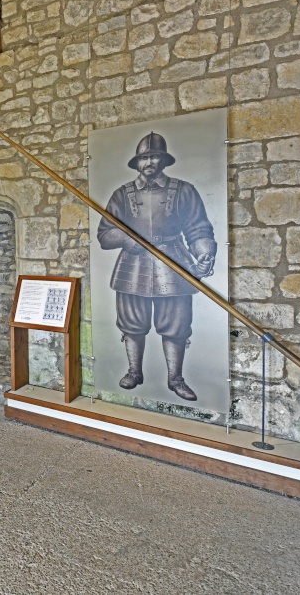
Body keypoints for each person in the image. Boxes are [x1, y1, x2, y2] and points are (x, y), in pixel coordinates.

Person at [96, 131, 216, 402]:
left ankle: (176, 379)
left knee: (175, 325)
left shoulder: (184, 190)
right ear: (137, 162)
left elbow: (198, 229)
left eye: (155, 157)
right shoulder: (122, 194)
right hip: (132, 264)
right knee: (132, 324)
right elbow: (105, 234)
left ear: (163, 160)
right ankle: (134, 371)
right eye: (145, 157)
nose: (150, 162)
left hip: (173, 261)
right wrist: (127, 239)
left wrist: (205, 253)